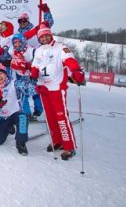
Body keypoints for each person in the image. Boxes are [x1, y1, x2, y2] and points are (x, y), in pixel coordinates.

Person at [30, 25, 85, 160]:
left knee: (61, 117)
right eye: (41, 37)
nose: (44, 38)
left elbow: (70, 60)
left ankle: (69, 146)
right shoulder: (38, 50)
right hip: (43, 88)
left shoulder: (60, 47)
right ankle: (57, 141)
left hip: (56, 88)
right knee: (50, 118)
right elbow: (35, 65)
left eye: (46, 35)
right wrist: (34, 73)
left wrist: (76, 71)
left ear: (51, 35)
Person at [0, 64, 29, 156]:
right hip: (2, 117)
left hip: (15, 113)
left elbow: (28, 88)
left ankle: (21, 142)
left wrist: (34, 83)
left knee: (23, 117)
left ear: (6, 74)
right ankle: (9, 127)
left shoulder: (14, 83)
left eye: (1, 74)